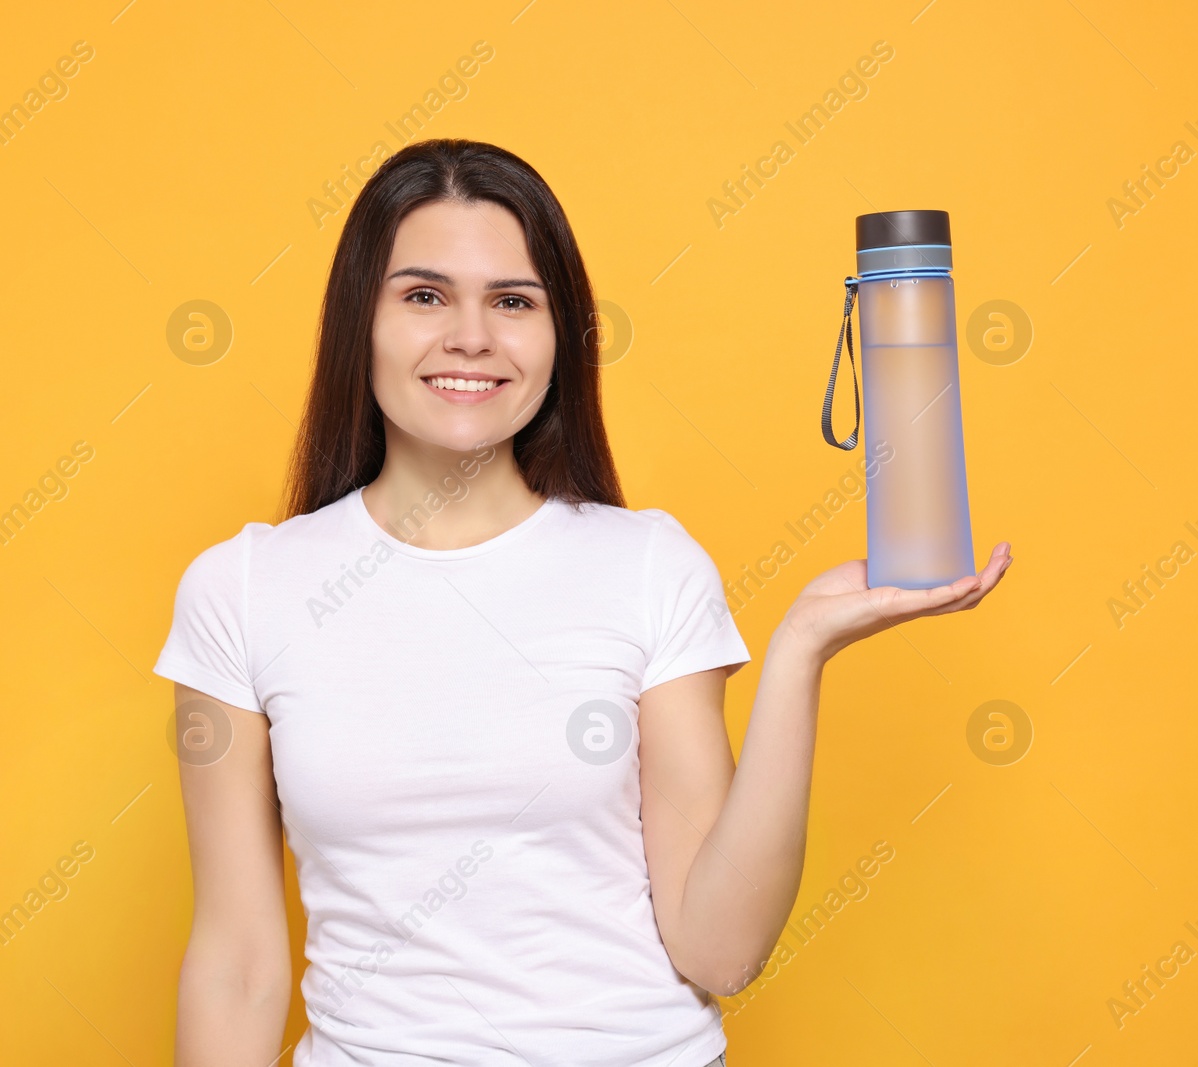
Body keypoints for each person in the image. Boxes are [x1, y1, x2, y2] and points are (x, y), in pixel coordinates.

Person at [154, 138, 1011, 1067]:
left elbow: (720, 949)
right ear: (357, 320)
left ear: (561, 336)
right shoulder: (244, 590)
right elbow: (237, 963)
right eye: (424, 295)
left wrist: (802, 646)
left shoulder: (647, 565)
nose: (471, 337)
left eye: (513, 301)